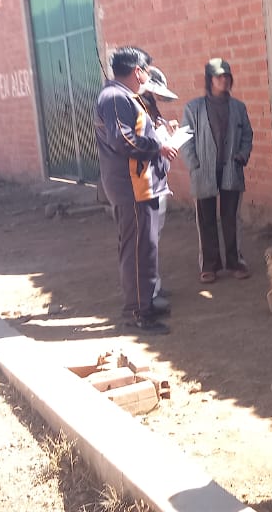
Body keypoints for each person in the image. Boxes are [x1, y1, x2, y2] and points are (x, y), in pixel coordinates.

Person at [94, 46, 178, 334]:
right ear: (137, 71)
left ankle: (146, 301)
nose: (146, 78)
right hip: (132, 188)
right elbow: (124, 140)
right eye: (146, 72)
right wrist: (159, 146)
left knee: (146, 248)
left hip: (142, 186)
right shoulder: (115, 97)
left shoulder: (125, 97)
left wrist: (160, 136)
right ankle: (138, 312)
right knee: (138, 251)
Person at [180, 58, 254, 284]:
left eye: (227, 76)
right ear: (209, 80)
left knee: (231, 218)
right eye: (219, 76)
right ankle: (209, 265)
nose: (224, 80)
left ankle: (235, 261)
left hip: (231, 168)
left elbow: (247, 135)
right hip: (203, 172)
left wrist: (242, 155)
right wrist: (194, 164)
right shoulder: (193, 108)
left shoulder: (238, 108)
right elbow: (185, 139)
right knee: (206, 220)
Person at [137, 65, 179, 302]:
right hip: (144, 183)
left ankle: (154, 287)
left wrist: (167, 132)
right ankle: (147, 295)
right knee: (146, 240)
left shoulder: (149, 104)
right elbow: (139, 142)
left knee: (155, 238)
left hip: (158, 179)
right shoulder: (132, 105)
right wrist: (161, 141)